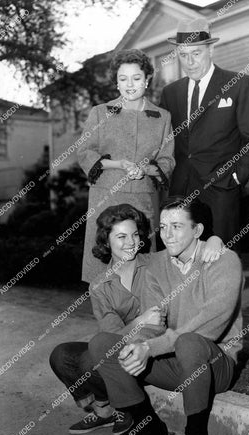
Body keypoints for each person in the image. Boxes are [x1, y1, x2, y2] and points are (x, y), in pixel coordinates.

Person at [88, 197, 244, 435]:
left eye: (176, 226)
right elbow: (153, 321)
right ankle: (145, 424)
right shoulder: (158, 265)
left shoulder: (223, 260)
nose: (167, 235)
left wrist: (216, 240)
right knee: (102, 343)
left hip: (213, 366)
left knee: (189, 341)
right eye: (162, 227)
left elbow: (211, 325)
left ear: (197, 231)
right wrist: (138, 346)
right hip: (175, 363)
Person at [49, 203, 223, 435]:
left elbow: (192, 250)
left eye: (135, 235)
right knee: (62, 356)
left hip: (159, 353)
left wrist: (214, 241)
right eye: (121, 236)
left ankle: (126, 410)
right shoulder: (100, 285)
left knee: (90, 360)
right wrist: (140, 321)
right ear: (105, 241)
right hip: (121, 351)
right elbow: (112, 334)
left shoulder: (157, 262)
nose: (131, 242)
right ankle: (105, 409)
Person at [160, 18, 249, 250]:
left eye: (196, 53)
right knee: (181, 263)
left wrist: (237, 178)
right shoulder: (170, 93)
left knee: (221, 263)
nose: (189, 62)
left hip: (221, 190)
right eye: (183, 55)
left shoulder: (239, 84)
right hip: (180, 192)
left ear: (211, 49)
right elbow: (165, 142)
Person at [77, 49, 175, 283]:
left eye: (136, 78)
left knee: (142, 274)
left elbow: (167, 160)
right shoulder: (100, 113)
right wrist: (117, 163)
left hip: (142, 202)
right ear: (116, 83)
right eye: (123, 79)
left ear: (147, 79)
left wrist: (145, 169)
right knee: (103, 273)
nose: (130, 85)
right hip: (105, 199)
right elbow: (84, 151)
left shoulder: (163, 117)